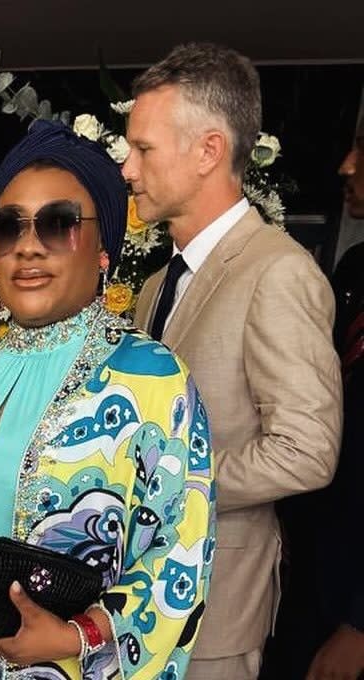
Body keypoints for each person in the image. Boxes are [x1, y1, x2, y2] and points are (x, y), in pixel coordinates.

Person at [0, 120, 215, 679]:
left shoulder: (149, 379)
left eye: (58, 224)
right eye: (9, 226)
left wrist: (79, 635)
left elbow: (180, 554)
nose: (28, 245)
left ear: (104, 250)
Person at [127, 43, 341, 680]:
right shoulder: (154, 285)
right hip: (134, 607)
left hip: (216, 609)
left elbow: (306, 450)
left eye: (143, 149)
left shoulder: (277, 271)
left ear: (209, 151)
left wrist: (173, 486)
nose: (126, 169)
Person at [298, 116, 364, 680]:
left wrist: (361, 624)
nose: (346, 165)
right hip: (319, 571)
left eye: (362, 150)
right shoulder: (355, 271)